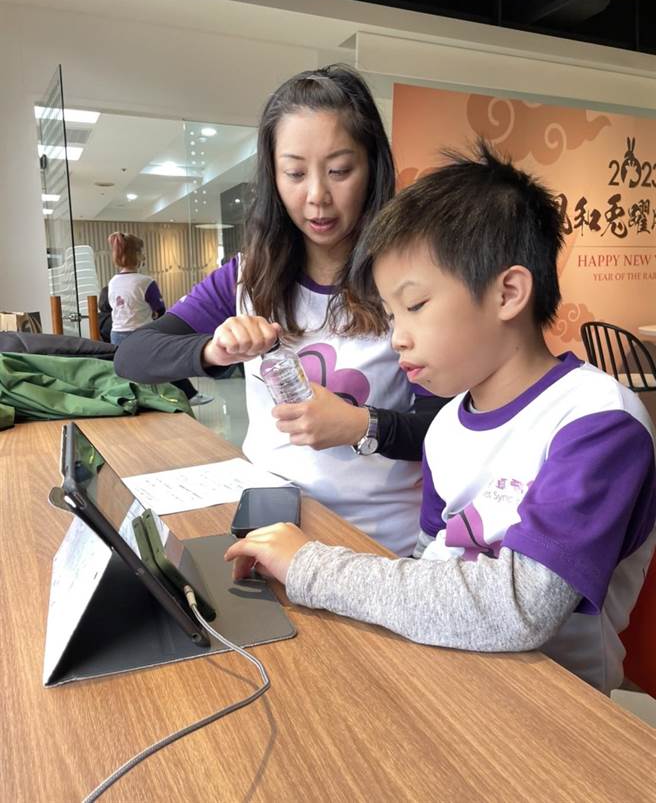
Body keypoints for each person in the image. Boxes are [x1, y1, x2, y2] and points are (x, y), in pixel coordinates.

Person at [224, 141, 656, 694]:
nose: (396, 335)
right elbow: (434, 563)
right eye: (390, 313)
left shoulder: (597, 422)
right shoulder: (448, 426)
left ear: (508, 293)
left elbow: (519, 607)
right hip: (453, 679)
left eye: (417, 306)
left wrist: (312, 567)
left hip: (558, 709)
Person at [115, 65, 447, 555]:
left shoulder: (410, 283)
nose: (316, 196)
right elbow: (134, 356)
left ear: (372, 168)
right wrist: (213, 349)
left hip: (377, 545)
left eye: (339, 171)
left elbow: (449, 430)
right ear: (273, 175)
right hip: (270, 526)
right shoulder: (249, 275)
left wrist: (361, 426)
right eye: (294, 172)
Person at [106, 233, 213, 406]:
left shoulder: (112, 282)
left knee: (129, 373)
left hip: (117, 333)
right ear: (137, 254)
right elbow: (159, 309)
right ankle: (190, 395)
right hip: (140, 333)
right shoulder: (145, 282)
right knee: (168, 364)